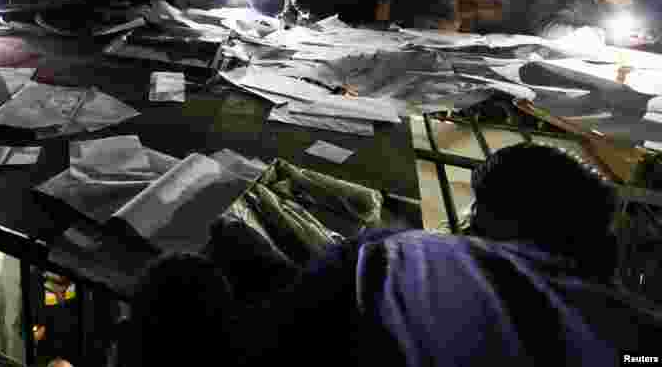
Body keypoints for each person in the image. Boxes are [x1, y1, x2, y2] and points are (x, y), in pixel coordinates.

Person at [190, 144, 660, 366]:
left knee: (181, 281)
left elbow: (284, 325)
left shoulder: (414, 260)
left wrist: (245, 255)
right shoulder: (634, 331)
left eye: (480, 215)